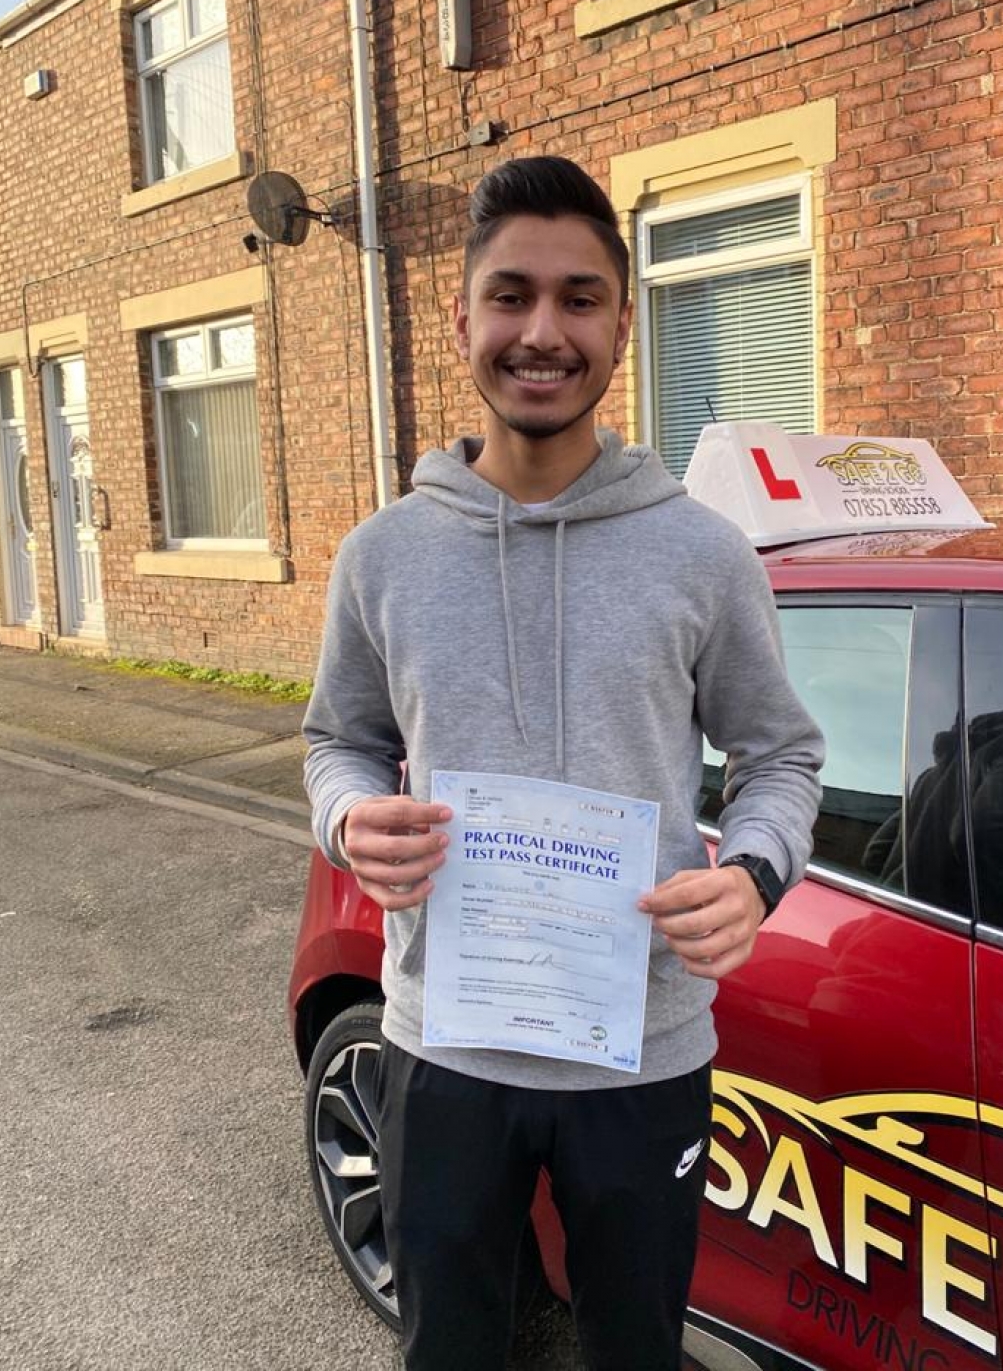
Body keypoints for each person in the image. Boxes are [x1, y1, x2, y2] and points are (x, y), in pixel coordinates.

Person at [303, 155, 823, 1371]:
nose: (544, 331)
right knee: (450, 1350)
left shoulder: (703, 556)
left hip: (642, 1049)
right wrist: (349, 815)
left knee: (635, 1352)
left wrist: (753, 873)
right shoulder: (381, 557)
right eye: (513, 295)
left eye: (579, 299)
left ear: (622, 324)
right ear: (461, 318)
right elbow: (339, 740)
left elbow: (781, 755)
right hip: (444, 1046)